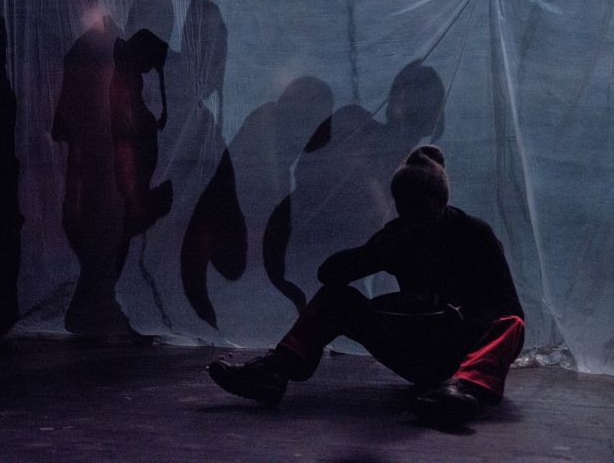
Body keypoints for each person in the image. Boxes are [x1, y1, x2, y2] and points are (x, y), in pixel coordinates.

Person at [208, 145, 525, 424]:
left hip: (458, 354)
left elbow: (509, 309)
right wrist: (374, 252)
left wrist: (460, 318)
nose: (409, 213)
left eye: (418, 204)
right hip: (415, 350)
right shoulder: (398, 235)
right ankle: (275, 372)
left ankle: (463, 390)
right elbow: (329, 275)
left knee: (512, 324)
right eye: (402, 204)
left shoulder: (474, 235)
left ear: (440, 200)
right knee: (337, 299)